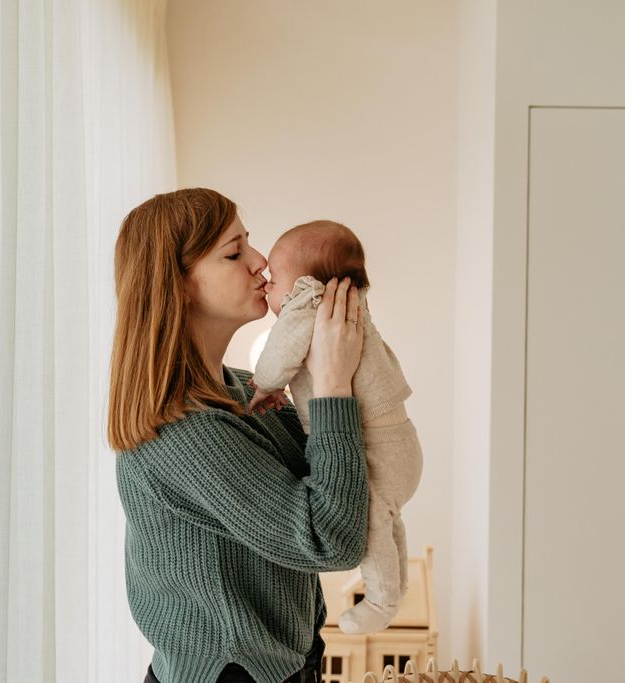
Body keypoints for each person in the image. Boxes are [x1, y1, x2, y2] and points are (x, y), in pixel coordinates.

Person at [109, 189, 368, 683]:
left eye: (248, 243)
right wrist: (334, 385)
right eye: (234, 253)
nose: (260, 262)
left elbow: (337, 487)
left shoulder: (246, 389)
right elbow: (329, 539)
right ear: (179, 284)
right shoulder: (184, 432)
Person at [249, 220, 423, 635]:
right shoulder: (352, 305)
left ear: (305, 283)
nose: (267, 284)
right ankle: (398, 581)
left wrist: (264, 384)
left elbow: (280, 351)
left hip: (374, 446)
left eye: (275, 278)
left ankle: (382, 601)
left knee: (371, 520)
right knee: (386, 516)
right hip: (399, 441)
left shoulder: (309, 304)